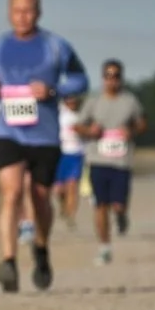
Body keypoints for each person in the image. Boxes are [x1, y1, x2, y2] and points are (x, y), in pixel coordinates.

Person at [0, 0, 88, 292]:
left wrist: (54, 91)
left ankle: (41, 249)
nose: (22, 16)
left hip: (44, 135)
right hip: (9, 132)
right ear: (8, 13)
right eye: (17, 11)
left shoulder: (56, 46)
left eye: (28, 11)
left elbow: (81, 80)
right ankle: (9, 262)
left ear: (38, 13)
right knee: (11, 193)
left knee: (40, 198)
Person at [74, 60, 146, 265]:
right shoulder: (94, 101)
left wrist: (131, 131)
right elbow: (78, 126)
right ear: (102, 77)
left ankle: (122, 216)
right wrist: (90, 131)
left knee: (118, 204)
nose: (111, 80)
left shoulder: (130, 101)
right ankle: (104, 247)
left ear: (121, 78)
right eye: (108, 75)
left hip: (121, 161)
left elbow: (142, 122)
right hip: (97, 159)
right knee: (100, 205)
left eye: (116, 76)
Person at [53, 94, 86, 229]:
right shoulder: (58, 112)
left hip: (76, 154)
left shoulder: (83, 114)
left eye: (74, 98)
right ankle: (63, 205)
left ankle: (71, 216)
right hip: (60, 153)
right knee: (59, 190)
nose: (72, 101)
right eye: (69, 98)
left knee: (72, 186)